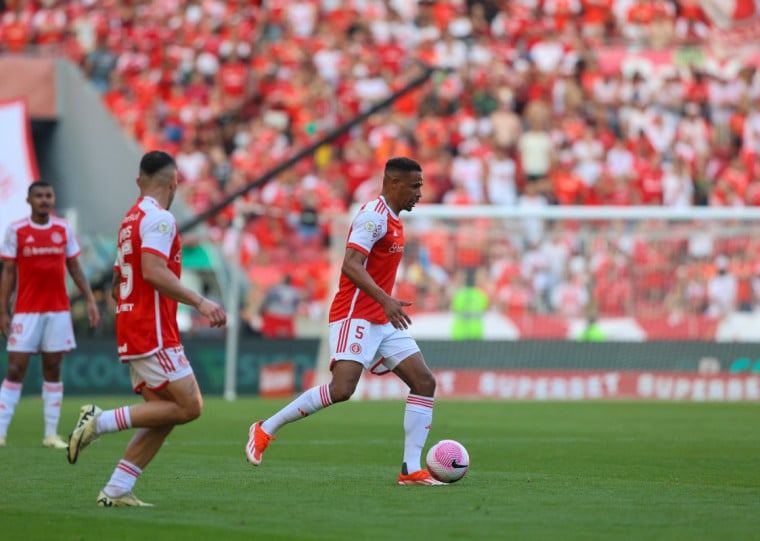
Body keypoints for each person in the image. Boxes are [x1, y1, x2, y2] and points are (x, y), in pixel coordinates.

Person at [245, 157, 444, 485]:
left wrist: (385, 305)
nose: (419, 193)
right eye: (414, 186)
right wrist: (385, 299)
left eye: (420, 185)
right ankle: (265, 428)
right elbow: (350, 264)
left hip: (382, 319)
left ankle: (410, 469)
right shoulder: (373, 217)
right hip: (355, 315)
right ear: (393, 183)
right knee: (342, 390)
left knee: (424, 382)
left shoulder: (395, 218)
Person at [66, 150, 226, 507]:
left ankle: (116, 490)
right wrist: (201, 302)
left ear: (139, 181)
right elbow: (153, 271)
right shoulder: (161, 219)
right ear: (175, 182)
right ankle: (99, 420)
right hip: (152, 328)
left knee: (163, 415)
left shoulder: (130, 220)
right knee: (190, 406)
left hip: (134, 322)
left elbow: (119, 278)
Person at [0, 180, 100, 449]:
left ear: (53, 199)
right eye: (39, 196)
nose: (44, 200)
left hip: (58, 311)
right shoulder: (16, 230)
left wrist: (90, 299)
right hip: (25, 311)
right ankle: (0, 431)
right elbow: (8, 272)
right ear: (29, 200)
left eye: (48, 195)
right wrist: (2, 310)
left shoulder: (63, 228)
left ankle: (50, 434)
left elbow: (75, 267)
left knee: (53, 368)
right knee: (15, 368)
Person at [450, 268, 489, 340]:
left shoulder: (459, 294)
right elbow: (484, 309)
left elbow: (454, 309)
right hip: (476, 332)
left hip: (460, 333)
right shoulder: (481, 295)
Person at [259, 274, 302, 338]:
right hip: (287, 317)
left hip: (273, 316)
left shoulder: (274, 289)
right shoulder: (295, 292)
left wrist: (261, 311)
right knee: (287, 339)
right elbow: (296, 306)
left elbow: (266, 302)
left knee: (269, 337)